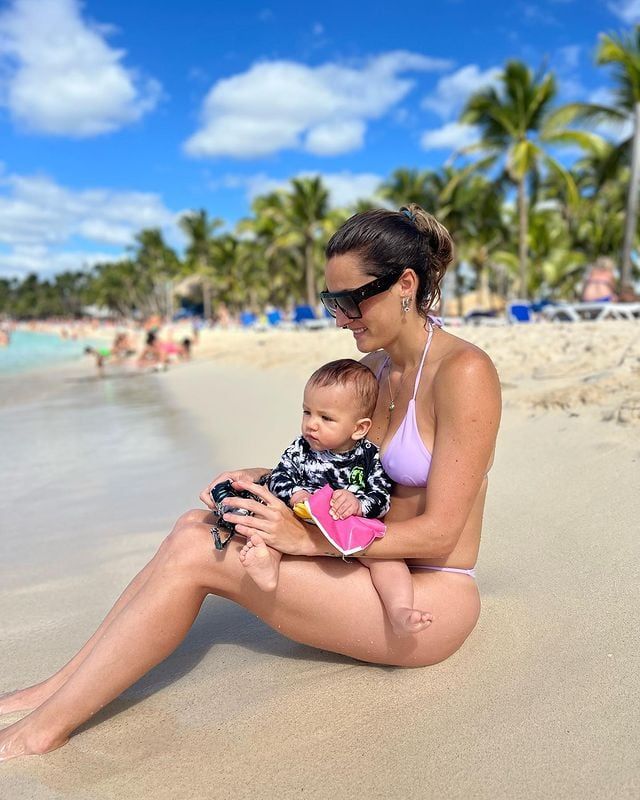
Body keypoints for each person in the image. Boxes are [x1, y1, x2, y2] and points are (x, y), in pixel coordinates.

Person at [0, 204, 501, 761]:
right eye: (331, 301)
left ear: (405, 284)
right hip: (363, 563)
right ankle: (57, 688)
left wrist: (304, 540)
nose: (339, 317)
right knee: (196, 524)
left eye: (350, 300)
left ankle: (41, 732)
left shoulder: (464, 373)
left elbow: (439, 534)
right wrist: (262, 478)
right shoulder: (381, 370)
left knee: (200, 553)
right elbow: (352, 475)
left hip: (427, 597)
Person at [238, 358, 432, 636]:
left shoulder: (368, 457)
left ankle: (400, 610)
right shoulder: (301, 448)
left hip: (348, 529)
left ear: (359, 428)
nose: (311, 425)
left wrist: (358, 504)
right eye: (307, 412)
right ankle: (267, 566)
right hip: (300, 522)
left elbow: (381, 496)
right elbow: (279, 476)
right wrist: (295, 493)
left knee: (388, 561)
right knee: (265, 528)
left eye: (325, 418)